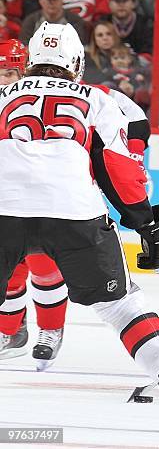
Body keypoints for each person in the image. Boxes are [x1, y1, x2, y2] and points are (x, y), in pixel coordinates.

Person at [0, 22, 159, 428]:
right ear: (76, 63)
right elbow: (119, 171)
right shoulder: (96, 98)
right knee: (122, 305)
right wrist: (145, 222)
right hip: (73, 212)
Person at [0, 39, 69, 371]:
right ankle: (11, 331)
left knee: (42, 263)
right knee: (10, 269)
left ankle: (51, 329)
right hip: (9, 196)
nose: (3, 80)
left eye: (9, 72)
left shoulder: (50, 98)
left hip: (45, 196)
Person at [19, 0, 88, 45]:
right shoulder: (31, 21)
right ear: (40, 0)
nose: (51, 2)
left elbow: (79, 47)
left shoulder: (74, 20)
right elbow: (25, 46)